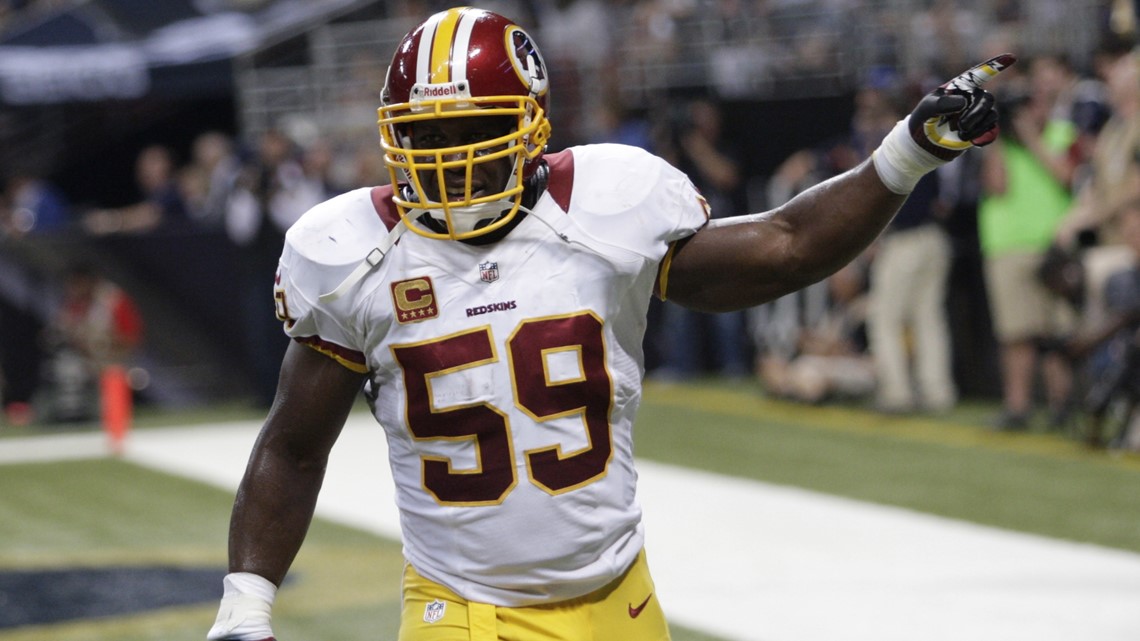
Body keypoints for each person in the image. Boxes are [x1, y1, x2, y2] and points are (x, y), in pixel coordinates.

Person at [206, 8, 1012, 640]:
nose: (444, 155)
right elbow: (293, 442)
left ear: (528, 126)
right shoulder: (351, 255)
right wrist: (246, 601)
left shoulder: (601, 204)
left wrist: (905, 153)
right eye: (424, 136)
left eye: (471, 131)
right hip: (465, 607)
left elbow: (785, 246)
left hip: (620, 595)